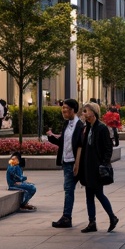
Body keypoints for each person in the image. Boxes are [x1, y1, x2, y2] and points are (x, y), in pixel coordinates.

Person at [77, 102, 118, 233]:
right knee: (89, 195)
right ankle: (92, 222)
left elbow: (108, 148)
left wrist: (104, 163)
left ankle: (112, 217)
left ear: (93, 112)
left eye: (86, 111)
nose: (84, 114)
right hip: (88, 167)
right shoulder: (87, 127)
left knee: (99, 194)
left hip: (97, 167)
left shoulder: (101, 128)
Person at [45, 98, 84, 228]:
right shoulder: (66, 124)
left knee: (93, 192)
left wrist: (77, 164)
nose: (63, 111)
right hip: (67, 162)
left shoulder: (80, 126)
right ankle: (67, 217)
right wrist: (51, 137)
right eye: (63, 108)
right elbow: (63, 142)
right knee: (69, 190)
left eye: (65, 108)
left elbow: (80, 145)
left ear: (73, 110)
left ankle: (68, 217)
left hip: (75, 163)